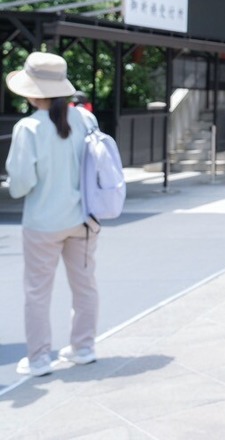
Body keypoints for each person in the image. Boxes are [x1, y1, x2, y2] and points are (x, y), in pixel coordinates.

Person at [5, 51, 101, 377]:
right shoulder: (85, 119)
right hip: (84, 220)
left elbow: (20, 185)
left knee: (37, 292)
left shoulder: (28, 128)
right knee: (85, 286)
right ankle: (83, 347)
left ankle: (39, 359)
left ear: (32, 91)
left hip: (43, 222)